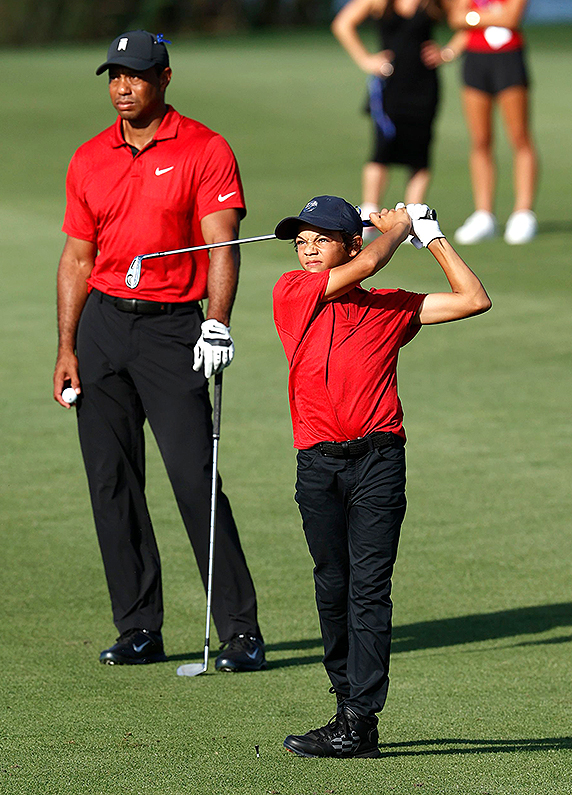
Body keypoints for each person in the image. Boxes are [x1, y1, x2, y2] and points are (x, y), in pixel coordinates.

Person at [53, 30, 265, 672]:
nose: (122, 87)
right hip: (102, 328)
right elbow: (77, 257)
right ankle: (139, 626)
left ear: (165, 78)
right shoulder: (89, 157)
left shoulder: (205, 148)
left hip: (174, 330)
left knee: (195, 478)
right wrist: (66, 344)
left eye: (136, 76)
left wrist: (218, 321)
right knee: (111, 481)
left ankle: (240, 632)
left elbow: (221, 244)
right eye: (114, 76)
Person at [272, 195, 490, 758]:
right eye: (302, 240)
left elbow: (474, 299)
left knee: (368, 591)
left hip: (377, 461)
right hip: (317, 463)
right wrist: (394, 228)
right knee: (332, 588)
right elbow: (367, 265)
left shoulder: (390, 308)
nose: (308, 249)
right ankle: (345, 704)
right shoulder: (292, 294)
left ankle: (358, 720)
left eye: (321, 239)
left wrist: (431, 235)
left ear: (347, 241)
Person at [331, 0, 454, 225]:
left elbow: (467, 20)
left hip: (424, 85)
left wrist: (448, 51)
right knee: (382, 148)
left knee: (420, 152)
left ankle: (412, 218)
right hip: (389, 85)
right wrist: (366, 60)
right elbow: (342, 24)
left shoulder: (432, 3)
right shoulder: (378, 2)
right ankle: (369, 216)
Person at [448, 0, 538, 244]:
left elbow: (511, 19)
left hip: (508, 58)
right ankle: (484, 214)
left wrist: (474, 16)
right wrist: (491, 15)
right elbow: (455, 17)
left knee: (519, 136)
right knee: (480, 140)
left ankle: (523, 213)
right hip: (475, 60)